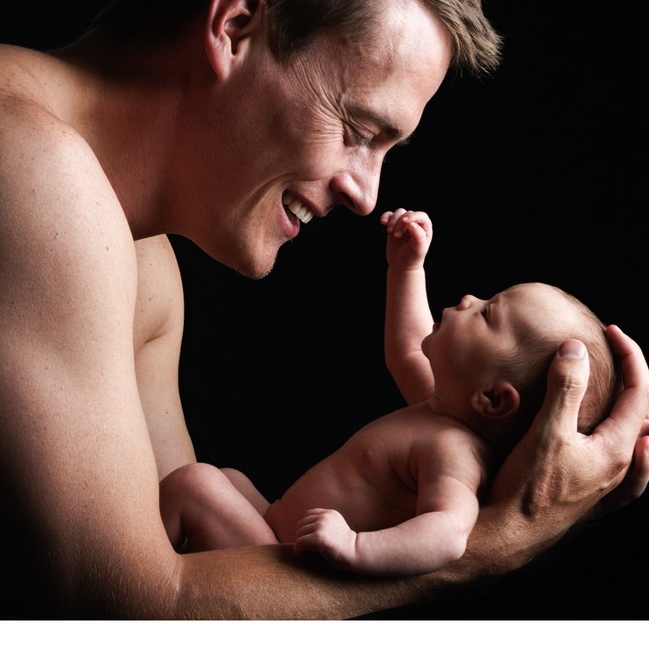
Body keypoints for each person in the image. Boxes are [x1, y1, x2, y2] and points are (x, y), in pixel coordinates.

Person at [0, 0, 649, 619]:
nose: (365, 194)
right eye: (357, 129)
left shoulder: (142, 263)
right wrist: (493, 541)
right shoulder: (14, 162)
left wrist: (512, 465)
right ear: (236, 26)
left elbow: (196, 571)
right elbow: (129, 616)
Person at [160, 209, 621, 576]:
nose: (467, 300)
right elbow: (407, 350)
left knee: (194, 484)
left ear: (494, 399)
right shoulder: (441, 410)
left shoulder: (453, 453)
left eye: (485, 315)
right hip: (277, 533)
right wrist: (407, 267)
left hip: (289, 567)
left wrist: (357, 547)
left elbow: (448, 534)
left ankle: (120, 584)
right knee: (230, 480)